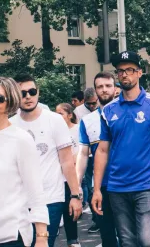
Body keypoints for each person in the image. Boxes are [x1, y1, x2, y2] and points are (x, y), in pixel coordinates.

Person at [92, 51, 150, 246]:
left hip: (147, 184)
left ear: (139, 73)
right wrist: (96, 189)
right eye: (120, 71)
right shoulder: (109, 110)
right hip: (117, 186)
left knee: (147, 240)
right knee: (127, 242)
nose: (124, 75)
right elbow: (102, 151)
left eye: (130, 70)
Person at [10, 74, 82, 247]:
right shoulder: (11, 124)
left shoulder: (54, 120)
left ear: (38, 92)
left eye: (32, 91)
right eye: (22, 93)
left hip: (51, 198)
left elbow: (66, 161)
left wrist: (75, 195)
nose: (28, 96)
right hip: (19, 201)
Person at [0, 77, 50, 247]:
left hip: (9, 236)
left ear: (10, 102)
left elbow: (36, 192)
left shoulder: (20, 139)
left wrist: (41, 237)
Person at [76, 72, 118, 245]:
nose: (104, 90)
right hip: (101, 186)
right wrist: (77, 184)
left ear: (115, 88)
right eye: (100, 87)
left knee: (129, 235)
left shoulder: (125, 114)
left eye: (108, 85)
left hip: (125, 184)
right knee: (107, 234)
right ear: (95, 90)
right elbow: (83, 154)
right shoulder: (87, 121)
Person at [55, 103, 81, 247]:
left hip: (72, 174)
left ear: (70, 115)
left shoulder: (77, 129)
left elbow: (82, 150)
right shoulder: (54, 130)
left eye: (61, 113)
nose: (58, 116)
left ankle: (73, 240)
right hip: (56, 175)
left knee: (69, 209)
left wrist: (70, 161)